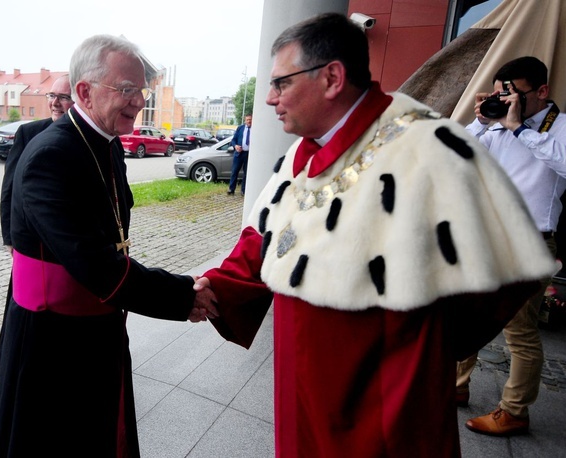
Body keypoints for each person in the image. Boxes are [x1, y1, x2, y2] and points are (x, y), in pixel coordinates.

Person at [192, 13, 557, 457]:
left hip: (383, 398)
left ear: (331, 78)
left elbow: (508, 268)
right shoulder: (300, 155)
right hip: (304, 382)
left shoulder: (429, 147)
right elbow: (267, 237)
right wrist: (209, 288)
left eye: (281, 83)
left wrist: (422, 349)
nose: (269, 99)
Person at [0, 35, 216, 458]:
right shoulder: (49, 156)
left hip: (100, 326)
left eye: (142, 91)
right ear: (84, 91)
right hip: (52, 344)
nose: (138, 101)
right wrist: (183, 294)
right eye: (127, 89)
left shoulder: (108, 145)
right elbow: (95, 263)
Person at [457, 56, 566, 436]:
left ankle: (515, 411)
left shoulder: (560, 128)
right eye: (502, 93)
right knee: (466, 314)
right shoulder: (497, 126)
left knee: (519, 330)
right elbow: (456, 153)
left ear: (541, 91)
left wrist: (520, 129)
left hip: (529, 241)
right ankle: (456, 387)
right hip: (486, 233)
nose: (507, 100)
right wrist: (483, 121)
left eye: (514, 93)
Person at [0, 74, 75, 252]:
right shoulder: (28, 133)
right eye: (51, 95)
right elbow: (9, 189)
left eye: (64, 97)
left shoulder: (90, 137)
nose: (55, 102)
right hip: (35, 244)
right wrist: (10, 238)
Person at [228, 114, 252, 195]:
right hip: (239, 153)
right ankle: (231, 189)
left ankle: (243, 190)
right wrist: (235, 146)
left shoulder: (255, 129)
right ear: (245, 120)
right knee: (234, 171)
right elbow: (233, 140)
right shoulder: (240, 128)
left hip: (249, 154)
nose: (249, 121)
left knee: (246, 173)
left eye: (250, 119)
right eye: (247, 119)